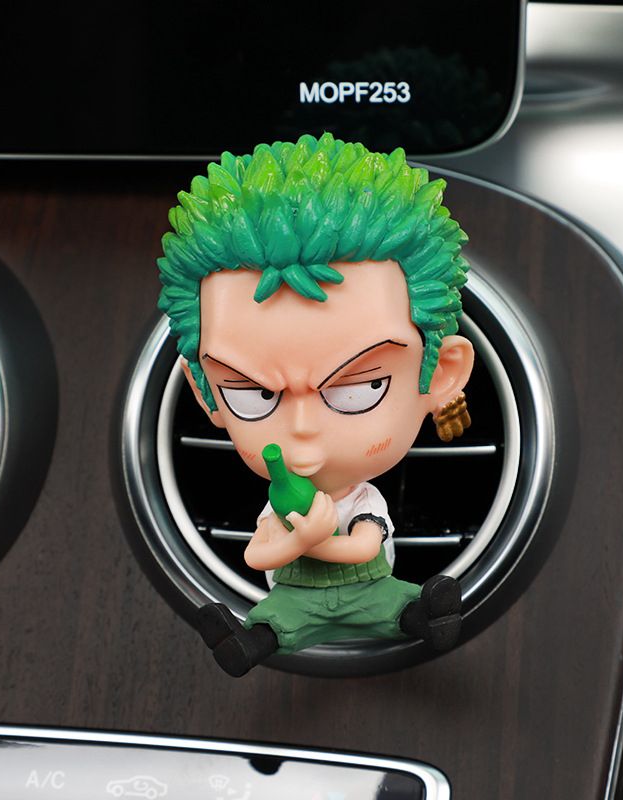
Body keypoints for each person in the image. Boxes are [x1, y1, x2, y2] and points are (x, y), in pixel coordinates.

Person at [157, 133, 474, 676]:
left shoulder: (363, 500)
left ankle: (426, 617)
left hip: (368, 593)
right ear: (204, 390)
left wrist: (311, 539)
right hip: (296, 601)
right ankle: (247, 643)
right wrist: (296, 540)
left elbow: (364, 549)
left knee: (395, 603)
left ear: (442, 374)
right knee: (276, 619)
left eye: (358, 389)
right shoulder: (279, 506)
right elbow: (256, 556)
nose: (302, 432)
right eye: (253, 395)